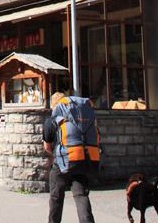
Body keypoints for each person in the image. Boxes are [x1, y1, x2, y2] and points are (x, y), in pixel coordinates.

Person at [43, 91, 99, 223]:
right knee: (81, 196)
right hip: (81, 160)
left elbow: (47, 147)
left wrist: (57, 155)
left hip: (62, 163)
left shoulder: (52, 120)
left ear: (54, 105)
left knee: (56, 197)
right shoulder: (83, 118)